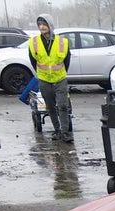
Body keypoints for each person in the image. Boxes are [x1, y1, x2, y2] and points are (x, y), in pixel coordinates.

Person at [28, 14, 72, 143]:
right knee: (50, 107)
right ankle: (57, 130)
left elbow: (67, 60)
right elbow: (33, 60)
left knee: (63, 106)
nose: (42, 27)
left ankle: (65, 132)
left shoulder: (62, 42)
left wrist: (61, 73)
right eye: (40, 24)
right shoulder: (34, 42)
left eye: (44, 24)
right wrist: (42, 74)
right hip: (44, 79)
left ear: (50, 25)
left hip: (60, 79)